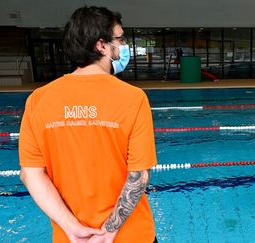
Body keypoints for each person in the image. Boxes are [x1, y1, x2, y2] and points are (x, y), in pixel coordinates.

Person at [19, 6, 157, 243]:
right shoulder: (133, 98)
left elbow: (30, 174)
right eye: (120, 38)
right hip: (129, 236)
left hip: (72, 238)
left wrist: (71, 228)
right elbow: (138, 177)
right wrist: (109, 232)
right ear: (101, 45)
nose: (124, 46)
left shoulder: (38, 101)